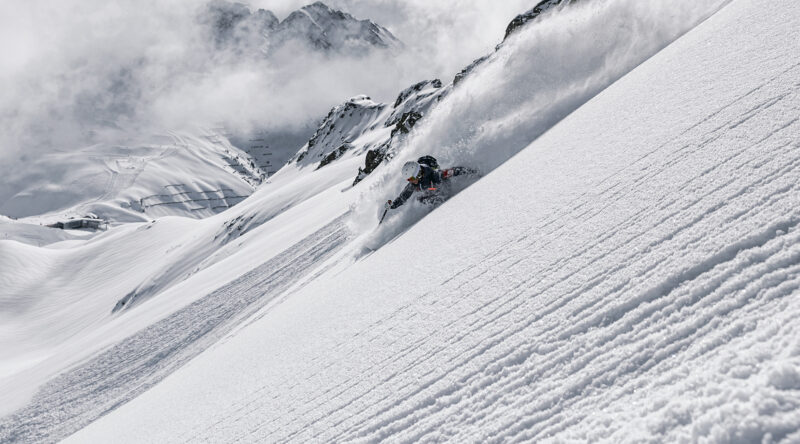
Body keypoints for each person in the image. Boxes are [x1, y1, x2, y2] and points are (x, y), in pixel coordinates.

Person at [384, 156, 475, 211]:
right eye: (408, 179)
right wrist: (392, 205)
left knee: (429, 197)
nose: (410, 181)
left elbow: (454, 171)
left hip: (443, 189)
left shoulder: (435, 175)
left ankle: (442, 206)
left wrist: (472, 172)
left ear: (418, 174)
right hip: (432, 191)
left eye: (411, 178)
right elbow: (403, 197)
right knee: (419, 199)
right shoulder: (413, 184)